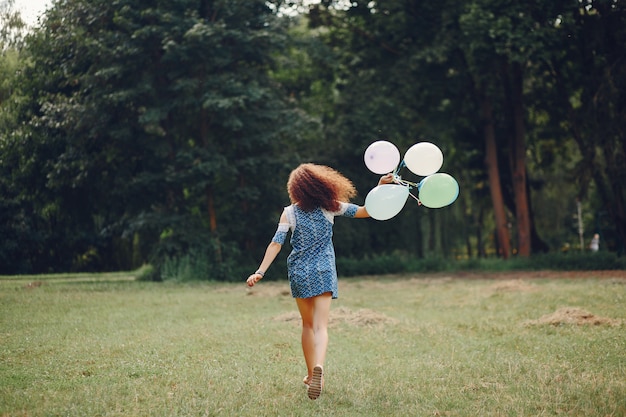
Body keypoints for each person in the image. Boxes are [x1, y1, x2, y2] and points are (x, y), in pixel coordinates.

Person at [246, 163, 394, 400]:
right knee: (321, 326)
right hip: (324, 270)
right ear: (320, 185)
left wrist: (260, 271)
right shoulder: (331, 207)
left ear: (295, 190)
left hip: (300, 272)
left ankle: (309, 373)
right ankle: (320, 369)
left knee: (306, 325)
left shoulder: (289, 213)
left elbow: (276, 243)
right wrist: (379, 187)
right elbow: (366, 211)